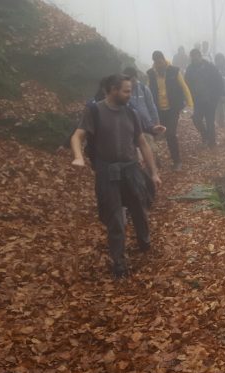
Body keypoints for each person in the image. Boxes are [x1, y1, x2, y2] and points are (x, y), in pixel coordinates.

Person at [70, 74, 162, 279]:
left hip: (131, 169)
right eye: (126, 91)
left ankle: (144, 242)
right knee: (115, 218)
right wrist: (78, 157)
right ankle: (119, 262)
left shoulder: (131, 113)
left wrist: (153, 172)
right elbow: (77, 136)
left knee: (139, 209)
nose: (130, 95)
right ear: (113, 89)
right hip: (107, 171)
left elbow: (143, 143)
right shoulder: (94, 111)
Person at [147, 50, 193, 170]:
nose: (159, 65)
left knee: (171, 134)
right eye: (156, 63)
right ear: (154, 63)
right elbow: (147, 91)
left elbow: (184, 87)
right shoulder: (151, 74)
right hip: (158, 110)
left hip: (173, 108)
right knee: (154, 135)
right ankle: (155, 161)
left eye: (160, 62)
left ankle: (177, 161)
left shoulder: (174, 71)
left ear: (164, 59)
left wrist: (190, 104)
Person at [185, 48, 225, 147]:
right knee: (196, 119)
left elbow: (219, 80)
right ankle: (205, 135)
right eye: (193, 57)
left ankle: (212, 143)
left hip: (211, 99)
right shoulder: (190, 69)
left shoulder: (210, 67)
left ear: (200, 56)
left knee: (210, 121)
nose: (195, 58)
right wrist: (187, 98)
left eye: (196, 56)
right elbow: (186, 84)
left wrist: (222, 95)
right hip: (198, 100)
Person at [123, 66, 165, 155]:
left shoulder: (144, 89)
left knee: (149, 146)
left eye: (133, 80)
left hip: (146, 125)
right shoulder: (123, 91)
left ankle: (154, 163)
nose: (131, 83)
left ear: (136, 78)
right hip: (130, 127)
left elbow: (151, 107)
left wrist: (156, 123)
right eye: (129, 80)